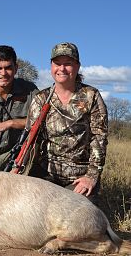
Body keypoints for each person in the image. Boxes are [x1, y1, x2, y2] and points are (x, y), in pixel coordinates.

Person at [26, 42, 108, 204]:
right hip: (46, 173)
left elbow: (99, 138)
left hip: (79, 177)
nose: (62, 69)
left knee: (79, 219)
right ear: (51, 66)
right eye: (57, 64)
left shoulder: (91, 95)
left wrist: (90, 177)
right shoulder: (41, 99)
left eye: (68, 64)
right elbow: (31, 139)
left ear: (77, 67)